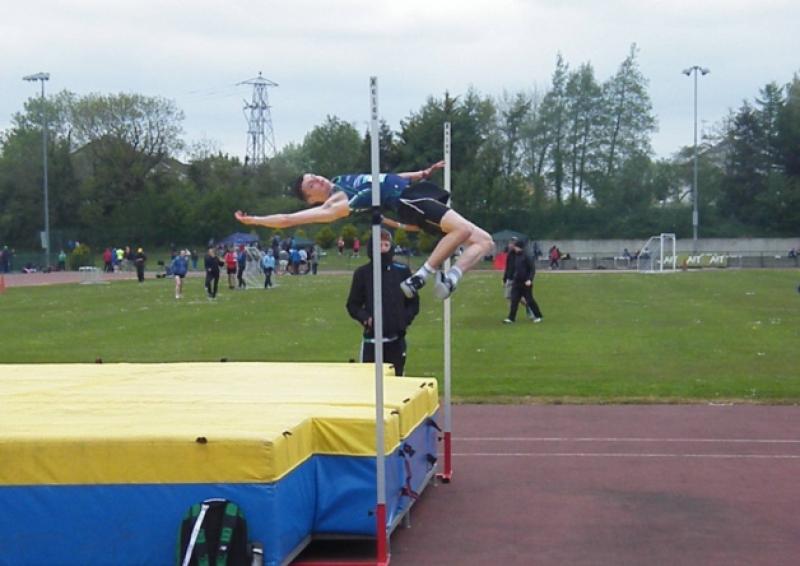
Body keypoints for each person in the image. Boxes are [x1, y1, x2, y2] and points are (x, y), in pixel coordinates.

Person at [234, 160, 494, 300]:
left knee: (484, 241)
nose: (318, 179)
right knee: (459, 230)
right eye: (312, 183)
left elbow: (384, 178)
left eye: (314, 175)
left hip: (414, 191)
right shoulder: (335, 204)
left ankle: (452, 278)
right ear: (311, 198)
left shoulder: (340, 181)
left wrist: (422, 173)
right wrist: (255, 219)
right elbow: (288, 219)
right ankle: (421, 276)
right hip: (408, 201)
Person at [346, 229, 419, 376]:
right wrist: (365, 318)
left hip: (396, 340)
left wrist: (403, 320)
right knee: (370, 382)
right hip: (372, 341)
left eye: (386, 245)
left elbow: (413, 303)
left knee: (397, 381)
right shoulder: (362, 274)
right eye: (379, 245)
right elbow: (352, 305)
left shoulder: (402, 271)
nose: (383, 249)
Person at [503, 238, 543, 324]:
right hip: (516, 282)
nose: (515, 248)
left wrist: (529, 279)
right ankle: (511, 318)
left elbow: (532, 269)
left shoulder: (527, 256)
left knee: (530, 300)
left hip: (526, 282)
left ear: (520, 247)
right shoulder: (516, 255)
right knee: (514, 300)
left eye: (516, 247)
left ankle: (538, 316)